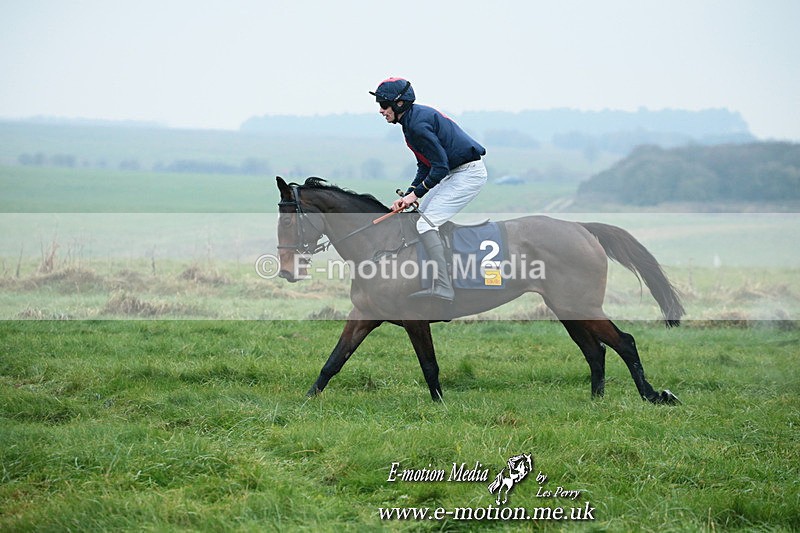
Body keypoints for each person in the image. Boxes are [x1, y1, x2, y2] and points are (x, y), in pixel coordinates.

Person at [370, 77, 488, 301]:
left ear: (399, 104)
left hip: (467, 174)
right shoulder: (410, 122)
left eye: (384, 105)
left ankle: (445, 286)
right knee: (420, 218)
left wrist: (415, 194)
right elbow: (425, 165)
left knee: (425, 224)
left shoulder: (416, 125)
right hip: (454, 172)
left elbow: (440, 167)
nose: (381, 110)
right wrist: (409, 194)